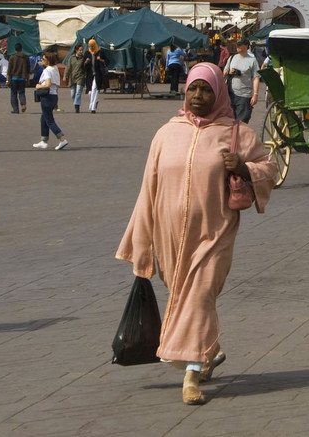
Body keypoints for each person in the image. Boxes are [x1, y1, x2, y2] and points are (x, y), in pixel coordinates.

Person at [116, 63, 276, 406]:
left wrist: (244, 167)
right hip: (169, 236)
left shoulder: (238, 133)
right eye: (193, 89)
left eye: (206, 90)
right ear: (185, 92)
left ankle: (190, 375)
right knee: (184, 297)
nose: (199, 96)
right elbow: (149, 189)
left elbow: (269, 169)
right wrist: (140, 241)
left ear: (219, 92)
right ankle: (209, 351)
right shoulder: (166, 134)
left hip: (215, 234)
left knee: (200, 296)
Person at [31, 51, 69, 150]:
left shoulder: (47, 70)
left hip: (47, 97)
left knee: (49, 121)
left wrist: (39, 86)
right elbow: (55, 86)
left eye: (43, 59)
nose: (41, 61)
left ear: (48, 61)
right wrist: (56, 103)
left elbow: (47, 84)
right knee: (43, 118)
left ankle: (62, 138)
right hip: (53, 96)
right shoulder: (55, 69)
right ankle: (44, 140)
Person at [224, 39, 259, 123]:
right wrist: (230, 72)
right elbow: (224, 72)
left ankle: (240, 136)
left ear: (246, 46)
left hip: (244, 96)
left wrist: (255, 94)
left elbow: (256, 78)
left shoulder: (252, 60)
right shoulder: (232, 58)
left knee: (242, 122)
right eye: (237, 45)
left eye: (240, 45)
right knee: (229, 121)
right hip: (230, 94)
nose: (237, 47)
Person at [7, 43, 31, 114]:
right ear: (21, 49)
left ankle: (16, 109)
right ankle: (23, 103)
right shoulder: (25, 57)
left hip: (14, 78)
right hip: (22, 78)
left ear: (15, 49)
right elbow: (28, 70)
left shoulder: (12, 57)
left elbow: (9, 70)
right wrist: (28, 79)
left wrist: (7, 80)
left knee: (13, 94)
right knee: (22, 92)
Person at [84, 40, 108, 113]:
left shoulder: (99, 53)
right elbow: (83, 64)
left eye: (92, 45)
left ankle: (92, 108)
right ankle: (96, 101)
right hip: (89, 74)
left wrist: (100, 60)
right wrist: (86, 62)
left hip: (98, 74)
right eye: (90, 45)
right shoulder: (87, 53)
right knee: (89, 91)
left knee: (95, 89)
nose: (91, 47)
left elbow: (107, 61)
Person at [67, 45, 88, 113]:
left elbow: (85, 68)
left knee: (78, 92)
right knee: (73, 93)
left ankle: (77, 106)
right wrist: (65, 76)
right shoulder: (71, 58)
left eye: (82, 50)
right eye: (80, 50)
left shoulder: (84, 58)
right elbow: (68, 67)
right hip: (73, 77)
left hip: (80, 77)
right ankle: (76, 103)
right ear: (76, 50)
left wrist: (86, 63)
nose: (81, 51)